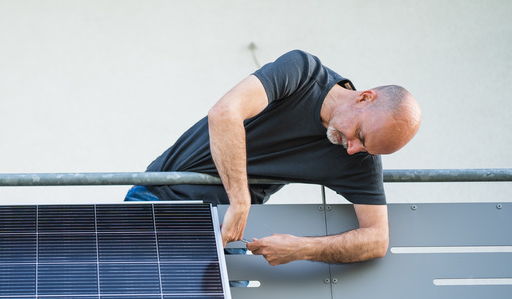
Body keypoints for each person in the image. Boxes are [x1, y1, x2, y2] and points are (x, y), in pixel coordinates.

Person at [126, 49, 422, 266]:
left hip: (225, 233)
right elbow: (225, 113)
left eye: (368, 150)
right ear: (364, 98)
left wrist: (301, 248)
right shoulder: (303, 72)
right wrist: (240, 203)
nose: (355, 149)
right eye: (361, 135)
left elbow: (376, 239)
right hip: (158, 201)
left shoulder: (359, 158)